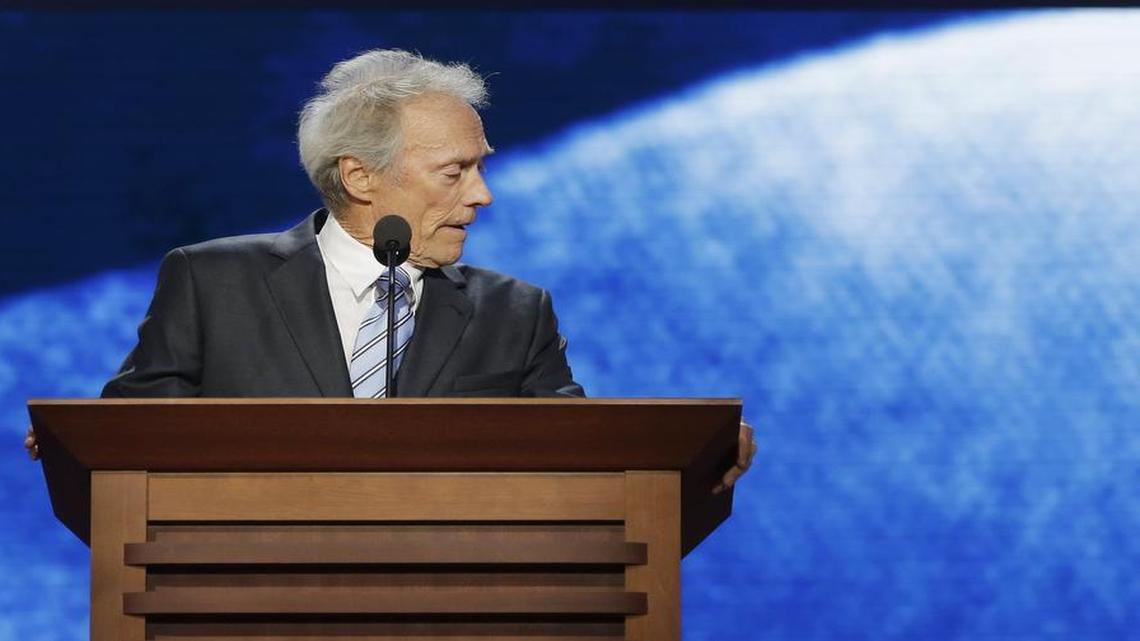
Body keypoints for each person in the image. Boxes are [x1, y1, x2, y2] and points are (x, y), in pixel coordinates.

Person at [25, 49, 755, 491]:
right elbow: (128, 442)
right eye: (455, 171)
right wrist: (78, 445)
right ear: (360, 177)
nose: (483, 194)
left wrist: (694, 458)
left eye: (481, 168)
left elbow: (588, 462)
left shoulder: (516, 311)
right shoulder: (212, 283)